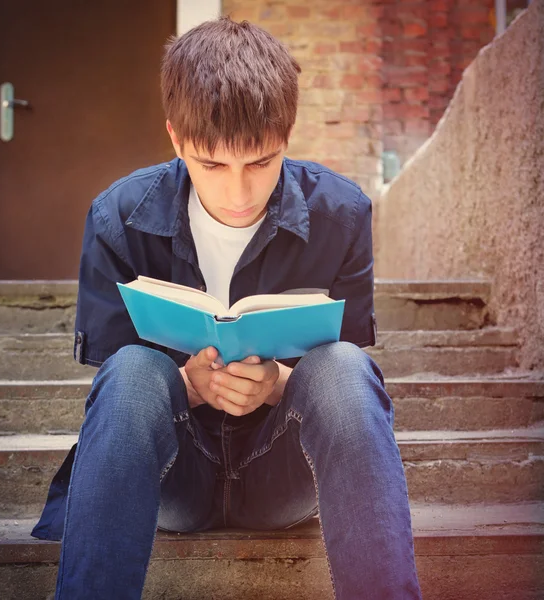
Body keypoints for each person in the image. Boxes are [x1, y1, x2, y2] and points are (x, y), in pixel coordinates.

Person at [31, 16, 423, 600]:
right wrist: (186, 384)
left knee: (343, 368)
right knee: (135, 371)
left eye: (260, 163)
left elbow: (347, 392)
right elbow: (116, 395)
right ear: (175, 138)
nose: (238, 194)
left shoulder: (341, 216)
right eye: (212, 165)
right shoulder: (117, 217)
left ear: (286, 139)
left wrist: (276, 386)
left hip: (285, 474)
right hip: (172, 475)